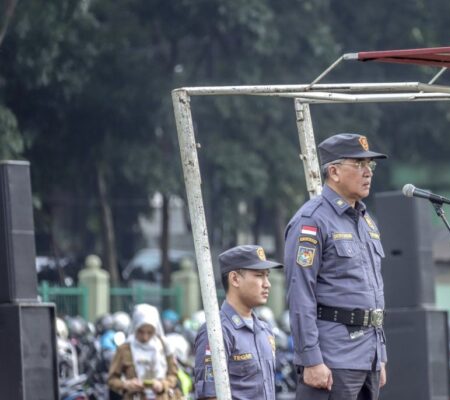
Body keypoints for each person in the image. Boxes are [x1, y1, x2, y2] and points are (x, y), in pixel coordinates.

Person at [284, 133, 388, 400]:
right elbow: (300, 294)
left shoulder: (366, 221)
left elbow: (373, 292)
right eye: (359, 164)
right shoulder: (312, 221)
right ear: (334, 171)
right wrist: (311, 360)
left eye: (370, 166)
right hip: (333, 359)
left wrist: (380, 355)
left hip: (368, 357)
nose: (368, 173)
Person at [193, 245, 282, 400]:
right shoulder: (217, 332)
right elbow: (210, 396)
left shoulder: (265, 330)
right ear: (234, 279)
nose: (267, 283)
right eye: (259, 275)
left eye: (267, 276)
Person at [108, 303, 182, 400]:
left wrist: (162, 385)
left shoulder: (165, 347)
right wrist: (126, 384)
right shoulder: (125, 349)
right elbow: (112, 380)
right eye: (141, 331)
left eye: (149, 332)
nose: (145, 337)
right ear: (135, 327)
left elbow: (173, 375)